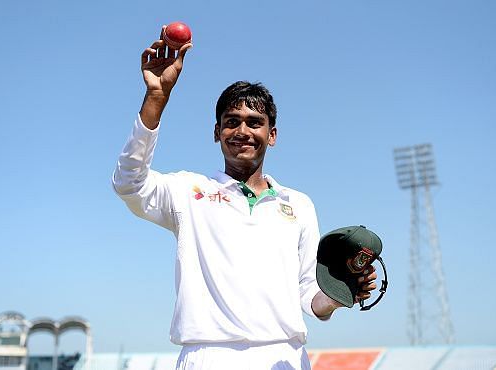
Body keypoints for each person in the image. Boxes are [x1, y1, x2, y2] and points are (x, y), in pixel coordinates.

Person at [112, 26, 378, 370]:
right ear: (216, 132)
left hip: (284, 357)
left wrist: (340, 293)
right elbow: (129, 184)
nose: (242, 131)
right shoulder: (188, 191)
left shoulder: (299, 205)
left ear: (272, 135)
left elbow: (310, 297)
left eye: (255, 122)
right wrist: (156, 100)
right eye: (231, 121)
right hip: (208, 356)